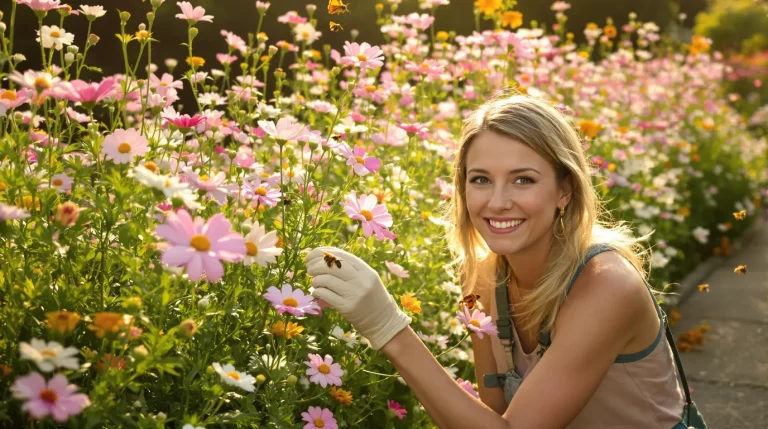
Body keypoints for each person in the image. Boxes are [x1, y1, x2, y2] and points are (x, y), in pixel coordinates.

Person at [305, 94, 693, 428]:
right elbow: (489, 415)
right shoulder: (480, 278)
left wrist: (388, 327)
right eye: (481, 179)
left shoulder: (606, 284)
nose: (497, 201)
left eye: (523, 179)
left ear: (564, 190)